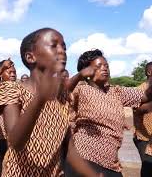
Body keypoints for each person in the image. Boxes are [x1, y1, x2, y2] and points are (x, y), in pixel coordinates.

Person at [0, 28, 99, 177]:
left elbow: (68, 147)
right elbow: (15, 142)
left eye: (64, 47)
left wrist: (93, 175)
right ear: (30, 57)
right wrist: (40, 99)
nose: (62, 51)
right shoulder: (12, 89)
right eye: (54, 45)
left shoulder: (62, 96)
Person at [65, 49, 152, 177]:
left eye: (106, 66)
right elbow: (61, 93)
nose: (105, 69)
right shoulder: (81, 89)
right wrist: (79, 76)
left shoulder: (116, 92)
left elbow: (146, 95)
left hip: (111, 163)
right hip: (84, 158)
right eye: (99, 66)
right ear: (86, 71)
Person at [133, 61, 152, 177]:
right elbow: (136, 110)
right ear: (149, 72)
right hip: (144, 139)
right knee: (148, 170)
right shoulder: (139, 90)